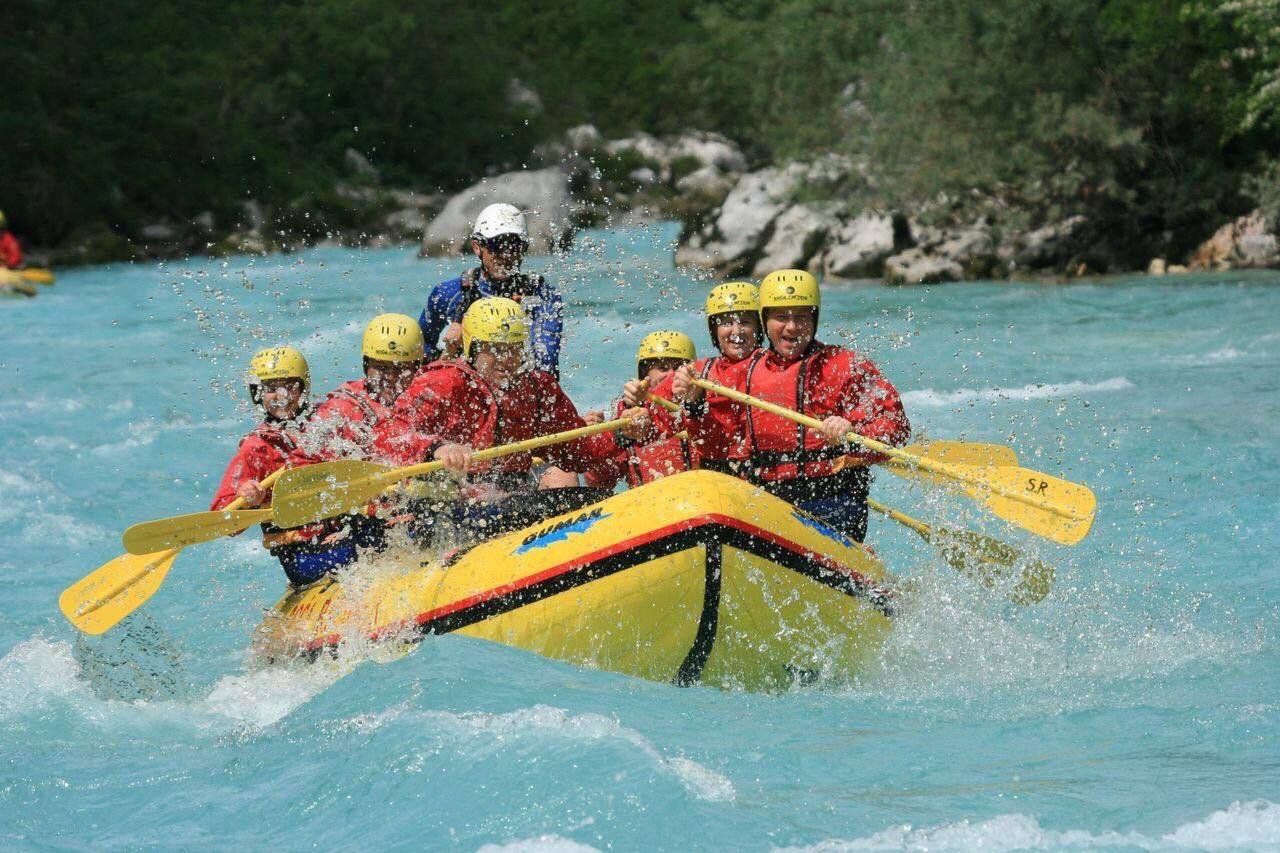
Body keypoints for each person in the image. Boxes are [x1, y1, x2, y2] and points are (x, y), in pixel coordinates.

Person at [375, 297, 644, 539]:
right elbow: (390, 435)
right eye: (494, 350)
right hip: (447, 508)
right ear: (473, 349)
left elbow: (578, 453)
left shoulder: (538, 389)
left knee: (594, 500)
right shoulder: (443, 382)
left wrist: (620, 433)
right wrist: (437, 448)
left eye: (514, 349)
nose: (507, 359)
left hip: (511, 501)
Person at [672, 270, 910, 542]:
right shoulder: (745, 372)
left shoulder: (843, 365)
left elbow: (895, 427)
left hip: (833, 502)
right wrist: (693, 404)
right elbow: (717, 447)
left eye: (801, 317)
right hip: (769, 499)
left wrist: (853, 431)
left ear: (814, 320)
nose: (792, 327)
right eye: (781, 317)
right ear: (765, 321)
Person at [210, 347, 359, 587]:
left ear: (303, 388)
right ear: (258, 394)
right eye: (271, 388)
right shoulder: (255, 448)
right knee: (367, 546)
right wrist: (246, 499)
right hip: (303, 556)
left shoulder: (327, 423)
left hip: (346, 531)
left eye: (289, 386)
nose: (281, 395)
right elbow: (222, 519)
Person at [625, 281, 763, 476]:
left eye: (745, 322)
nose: (736, 331)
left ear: (759, 327)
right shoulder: (696, 372)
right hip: (718, 480)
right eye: (726, 323)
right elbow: (652, 421)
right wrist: (633, 404)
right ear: (714, 330)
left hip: (764, 478)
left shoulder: (775, 368)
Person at [418, 203, 563, 376]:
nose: (506, 255)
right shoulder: (449, 293)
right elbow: (420, 349)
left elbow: (546, 361)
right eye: (497, 245)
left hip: (517, 382)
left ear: (524, 249)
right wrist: (448, 354)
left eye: (514, 246)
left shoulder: (542, 296)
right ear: (477, 247)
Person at [295, 313, 425, 463]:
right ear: (366, 366)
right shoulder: (342, 409)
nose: (390, 377)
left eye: (400, 368)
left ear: (417, 369)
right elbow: (303, 461)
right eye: (381, 367)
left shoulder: (428, 398)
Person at [584, 330, 696, 490]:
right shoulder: (627, 417)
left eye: (678, 368)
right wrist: (596, 440)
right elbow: (599, 480)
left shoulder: (702, 411)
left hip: (699, 495)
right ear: (645, 376)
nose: (672, 375)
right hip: (648, 500)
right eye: (663, 368)